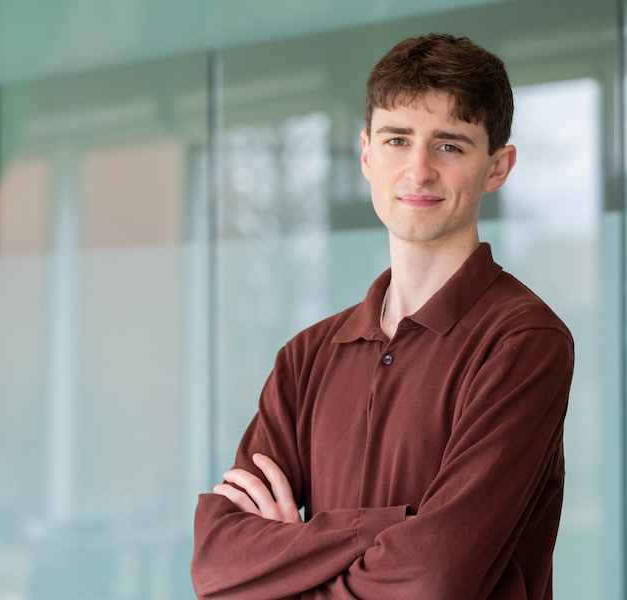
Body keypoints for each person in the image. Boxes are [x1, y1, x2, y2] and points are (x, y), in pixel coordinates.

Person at [191, 33, 574, 599]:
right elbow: (217, 562)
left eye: (450, 146)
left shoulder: (523, 342)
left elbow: (434, 578)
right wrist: (386, 526)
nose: (418, 171)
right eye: (398, 140)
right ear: (367, 155)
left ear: (497, 167)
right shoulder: (307, 356)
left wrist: (291, 561)